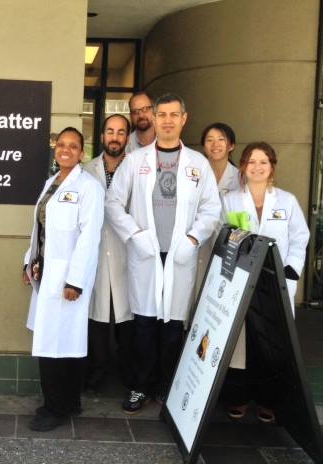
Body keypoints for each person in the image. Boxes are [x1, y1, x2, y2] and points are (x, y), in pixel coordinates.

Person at [106, 93, 221, 414]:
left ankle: (166, 387)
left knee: (172, 326)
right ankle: (139, 387)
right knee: (143, 324)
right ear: (154, 119)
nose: (167, 120)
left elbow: (212, 208)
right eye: (162, 115)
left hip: (180, 255)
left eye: (174, 115)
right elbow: (113, 203)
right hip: (146, 254)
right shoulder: (135, 160)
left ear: (184, 118)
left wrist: (193, 238)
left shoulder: (198, 164)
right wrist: (135, 234)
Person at [23, 127, 104, 431]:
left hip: (67, 278)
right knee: (60, 342)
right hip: (47, 273)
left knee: (55, 344)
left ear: (82, 153)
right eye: (62, 145)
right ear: (56, 149)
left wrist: (75, 281)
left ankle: (53, 408)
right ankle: (69, 402)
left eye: (73, 146)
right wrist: (28, 261)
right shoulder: (52, 183)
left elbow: (88, 237)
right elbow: (41, 232)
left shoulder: (89, 187)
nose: (66, 150)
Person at [222, 141, 309, 423]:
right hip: (242, 280)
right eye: (251, 161)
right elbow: (223, 236)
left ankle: (268, 401)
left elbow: (300, 237)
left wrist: (291, 269)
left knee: (271, 344)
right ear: (243, 166)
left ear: (272, 166)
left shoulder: (286, 201)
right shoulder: (231, 200)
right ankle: (238, 397)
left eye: (263, 162)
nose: (257, 167)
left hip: (275, 280)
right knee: (240, 343)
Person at [82, 114, 132, 392]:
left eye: (121, 132)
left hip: (129, 253)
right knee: (97, 318)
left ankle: (128, 375)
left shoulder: (139, 168)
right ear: (102, 136)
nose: (115, 137)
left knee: (128, 319)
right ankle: (97, 373)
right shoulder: (87, 170)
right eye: (110, 131)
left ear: (127, 137)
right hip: (98, 252)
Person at [195, 122, 239, 297]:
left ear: (231, 146)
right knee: (198, 288)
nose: (215, 144)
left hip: (228, 243)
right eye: (210, 140)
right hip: (199, 239)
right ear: (204, 146)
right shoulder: (194, 173)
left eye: (222, 139)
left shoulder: (240, 177)